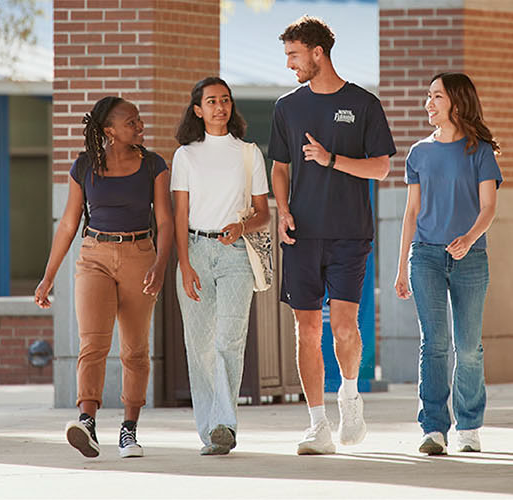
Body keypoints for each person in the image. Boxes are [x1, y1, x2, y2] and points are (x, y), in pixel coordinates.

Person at [267, 16, 394, 455]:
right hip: (301, 235)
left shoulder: (363, 104)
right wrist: (281, 210)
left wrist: (331, 159)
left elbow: (381, 166)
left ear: (318, 53)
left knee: (342, 328)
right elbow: (279, 167)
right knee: (306, 330)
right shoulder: (286, 106)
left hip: (348, 234)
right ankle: (317, 425)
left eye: (294, 55)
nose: (289, 64)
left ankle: (350, 398)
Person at [34, 96, 172, 459]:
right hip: (94, 255)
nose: (139, 126)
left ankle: (129, 430)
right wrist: (48, 276)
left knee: (134, 348)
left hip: (139, 255)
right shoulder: (85, 167)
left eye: (139, 120)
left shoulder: (153, 165)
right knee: (92, 343)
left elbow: (166, 221)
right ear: (109, 130)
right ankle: (87, 421)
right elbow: (68, 223)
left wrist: (159, 265)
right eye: (131, 122)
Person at [393, 72, 501, 456]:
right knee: (435, 344)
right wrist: (401, 266)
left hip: (470, 258)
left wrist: (468, 239)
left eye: (436, 96)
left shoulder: (481, 152)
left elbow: (488, 207)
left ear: (456, 102)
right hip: (425, 256)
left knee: (468, 346)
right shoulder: (418, 153)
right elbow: (411, 213)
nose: (428, 103)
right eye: (428, 95)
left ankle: (469, 426)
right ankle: (434, 428)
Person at [170, 77, 270, 456]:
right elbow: (180, 214)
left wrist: (240, 227)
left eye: (225, 100)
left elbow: (263, 213)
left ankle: (225, 425)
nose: (219, 107)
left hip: (235, 256)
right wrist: (184, 264)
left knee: (229, 340)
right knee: (199, 346)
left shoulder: (248, 153)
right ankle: (210, 427)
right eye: (211, 101)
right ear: (198, 109)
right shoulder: (186, 156)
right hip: (195, 250)